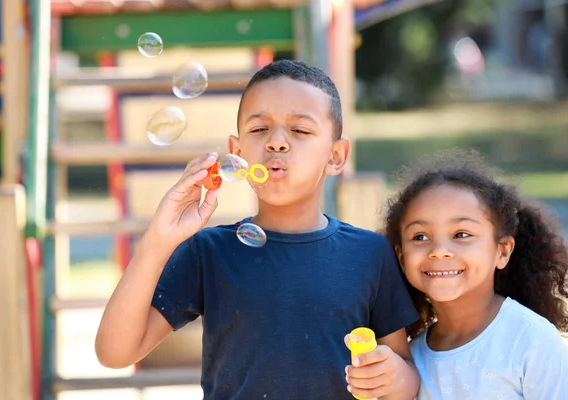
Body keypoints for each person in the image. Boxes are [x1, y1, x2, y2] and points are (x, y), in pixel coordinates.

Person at [95, 60, 420, 399]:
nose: (276, 142)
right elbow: (114, 352)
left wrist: (394, 377)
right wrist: (159, 240)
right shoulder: (209, 252)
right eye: (259, 129)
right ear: (237, 153)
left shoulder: (370, 254)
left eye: (300, 130)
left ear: (336, 156)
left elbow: (406, 375)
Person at [383, 149, 568, 399]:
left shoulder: (532, 343)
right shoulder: (411, 363)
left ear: (502, 251)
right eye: (420, 237)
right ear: (401, 257)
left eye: (461, 234)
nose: (439, 251)